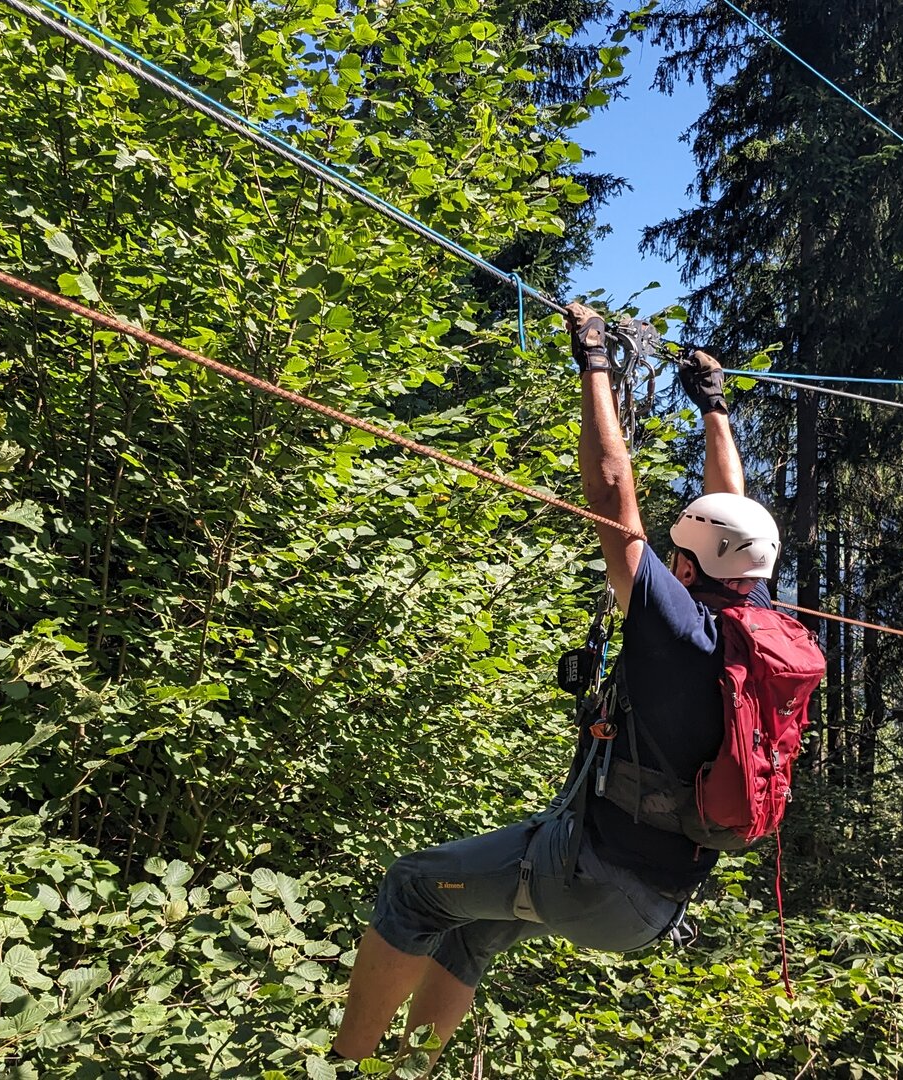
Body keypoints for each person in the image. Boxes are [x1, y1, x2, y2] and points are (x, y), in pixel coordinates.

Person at [330, 302, 782, 1067]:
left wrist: (595, 361)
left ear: (683, 569)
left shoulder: (675, 628)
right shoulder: (750, 625)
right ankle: (411, 1069)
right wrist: (716, 409)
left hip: (590, 878)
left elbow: (612, 494)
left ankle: (341, 1069)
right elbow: (733, 516)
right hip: (658, 901)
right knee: (470, 926)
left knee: (410, 889)